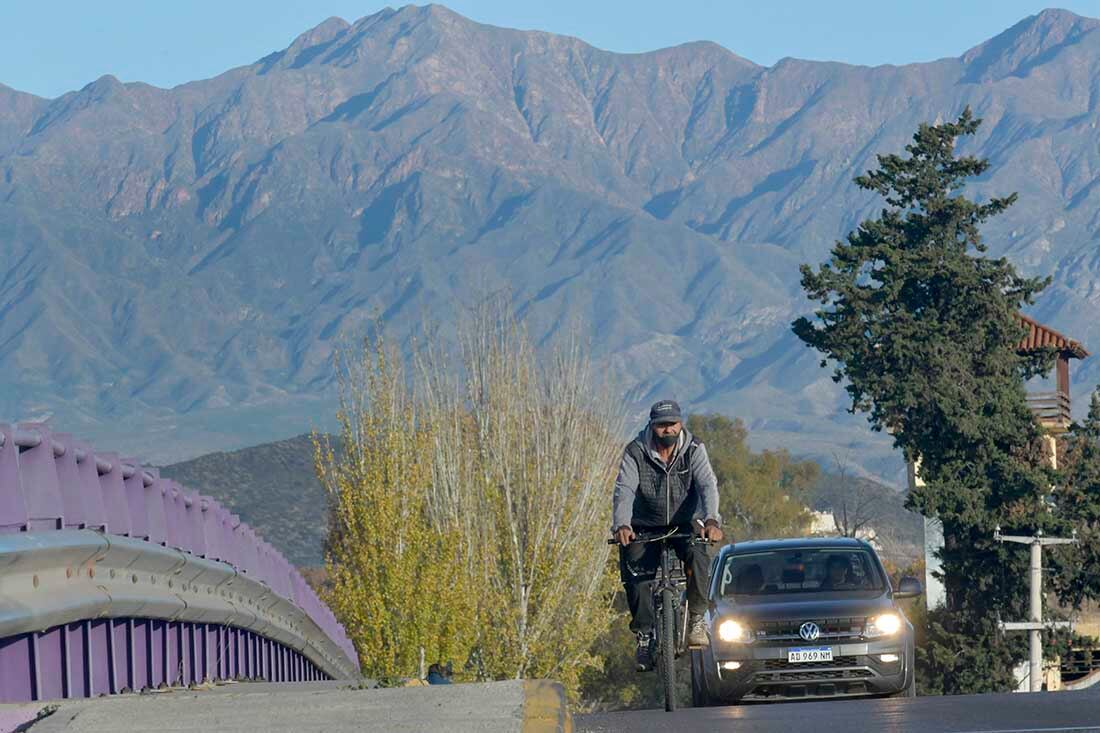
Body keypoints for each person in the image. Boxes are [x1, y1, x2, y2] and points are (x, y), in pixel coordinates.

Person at [612, 399, 724, 671]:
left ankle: (697, 620)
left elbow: (707, 485)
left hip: (683, 523)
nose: (667, 430)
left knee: (698, 556)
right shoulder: (636, 450)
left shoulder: (694, 448)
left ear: (680, 423)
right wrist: (622, 525)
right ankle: (644, 635)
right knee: (635, 573)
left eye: (672, 424)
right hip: (643, 524)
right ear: (652, 425)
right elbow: (624, 489)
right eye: (661, 425)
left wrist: (711, 520)